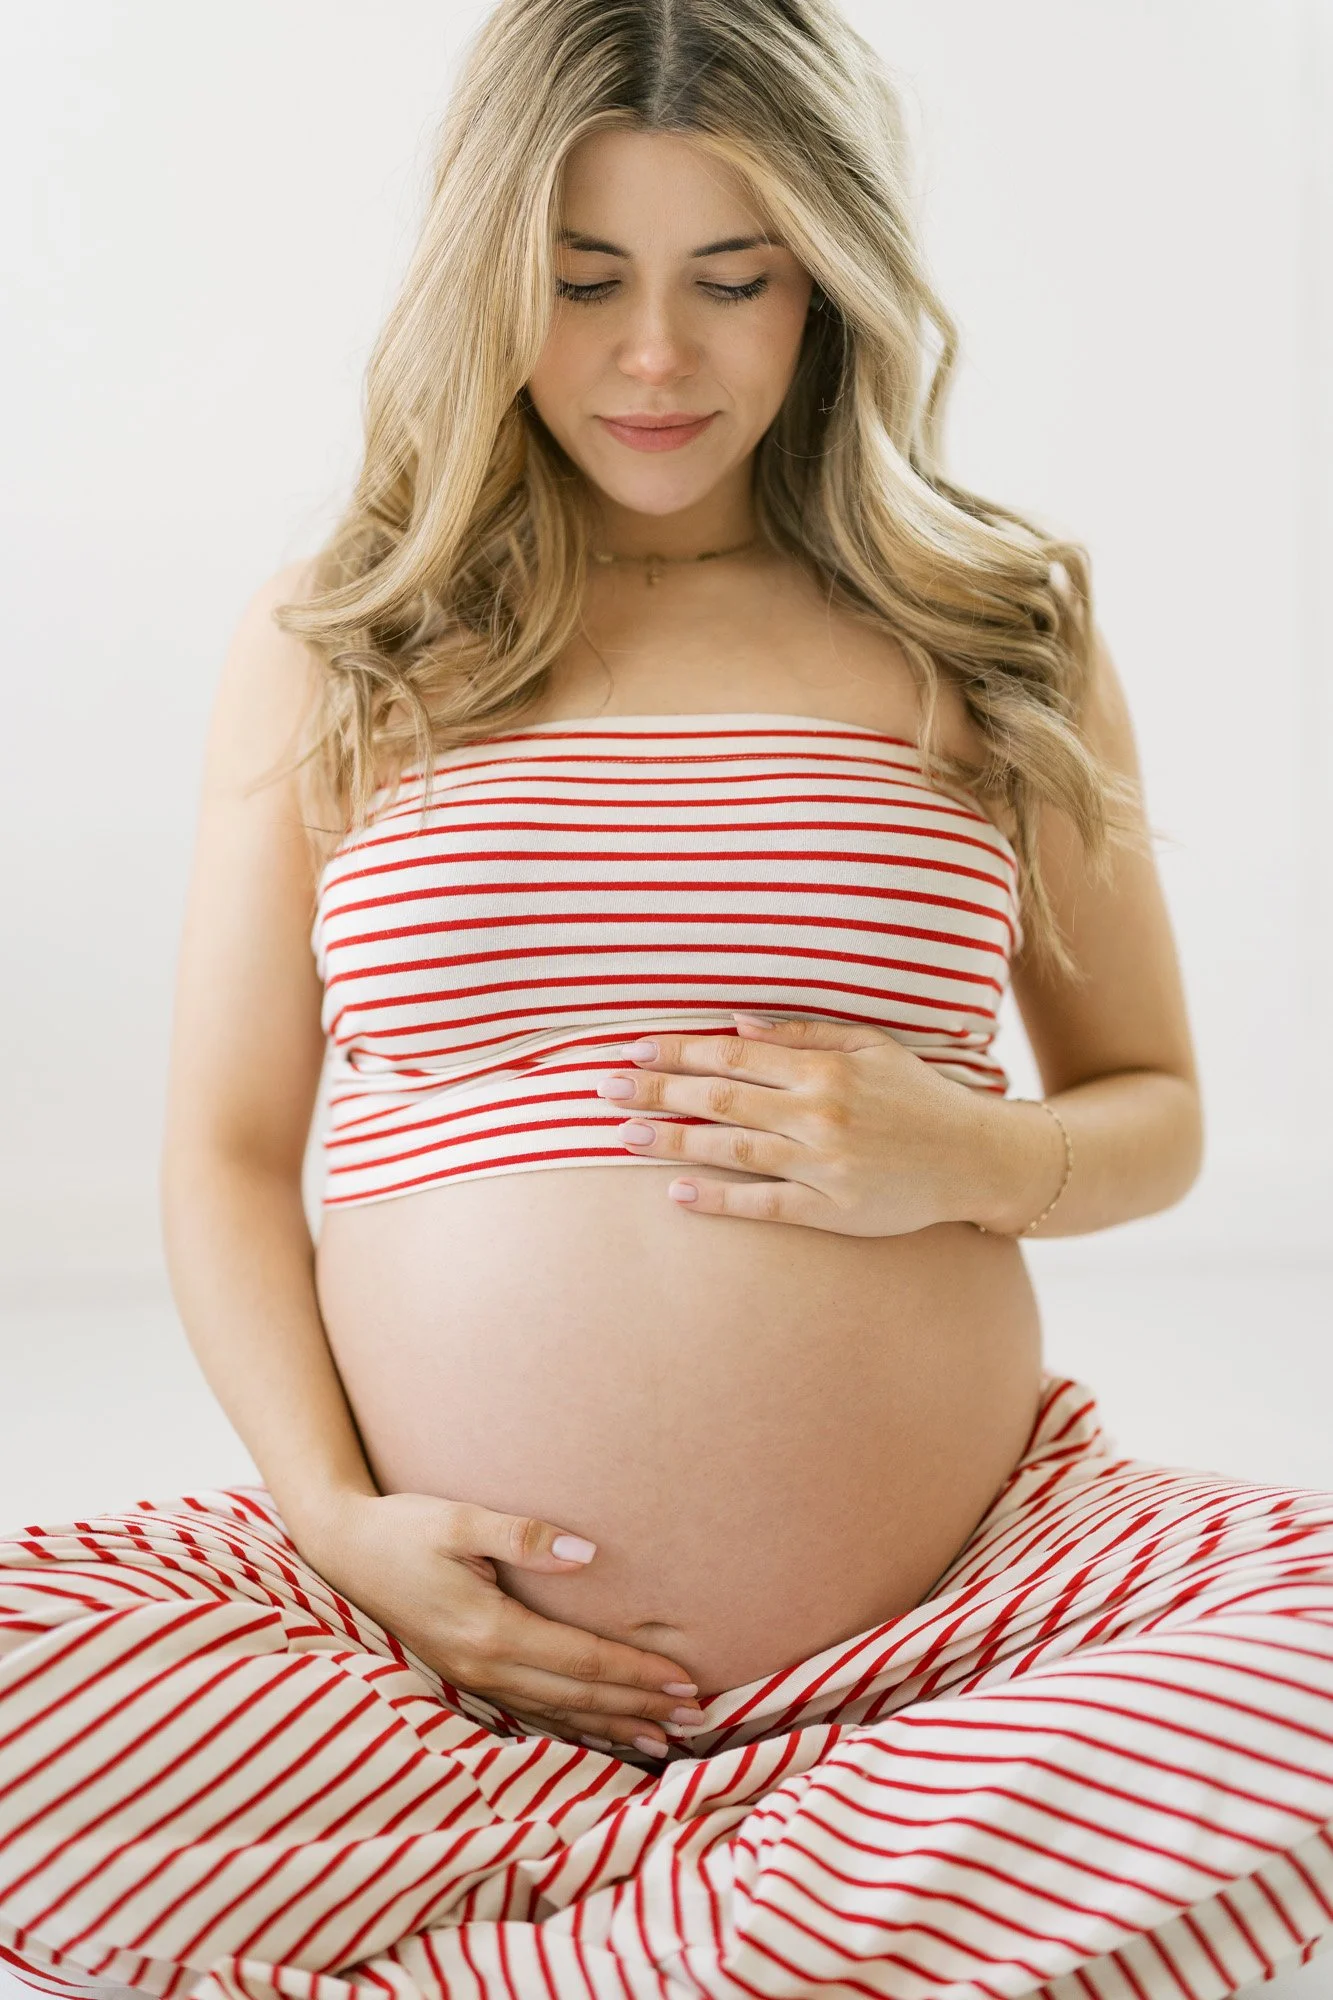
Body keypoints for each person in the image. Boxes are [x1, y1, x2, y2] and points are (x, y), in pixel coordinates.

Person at [4, 3, 1333, 1996]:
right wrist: (338, 1522)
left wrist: (970, 1154)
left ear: (835, 288)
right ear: (484, 281)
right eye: (581, 280)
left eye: (737, 279)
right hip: (418, 1666)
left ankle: (564, 1934)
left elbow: (1149, 1107)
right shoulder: (346, 641)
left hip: (957, 1629)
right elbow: (223, 1146)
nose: (655, 356)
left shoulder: (989, 626)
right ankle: (790, 1916)